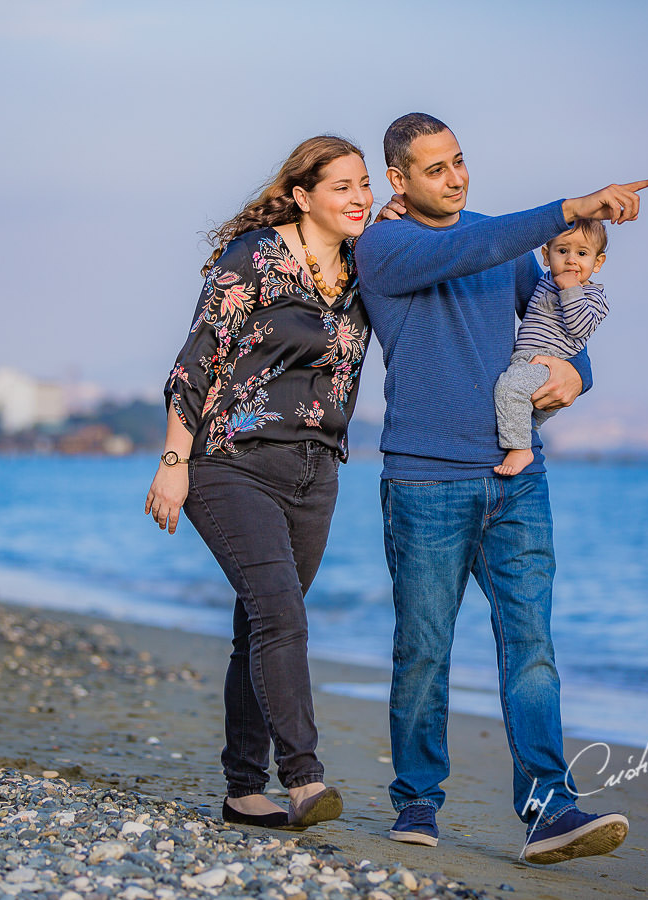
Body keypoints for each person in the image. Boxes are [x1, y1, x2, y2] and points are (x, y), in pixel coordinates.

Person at [354, 112, 648, 863]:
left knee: (533, 648)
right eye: (435, 170)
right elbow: (466, 248)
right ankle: (418, 800)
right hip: (425, 482)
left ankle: (549, 807)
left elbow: (560, 330)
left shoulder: (505, 241)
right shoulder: (384, 245)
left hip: (518, 481)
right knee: (422, 650)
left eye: (459, 162)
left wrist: (575, 378)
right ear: (398, 180)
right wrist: (570, 207)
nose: (455, 179)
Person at [145, 135, 373, 829]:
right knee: (281, 612)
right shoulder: (256, 258)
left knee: (260, 624)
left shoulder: (368, 269)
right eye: (342, 186)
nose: (359, 197)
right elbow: (197, 360)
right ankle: (303, 779)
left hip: (317, 472)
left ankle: (244, 790)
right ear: (303, 196)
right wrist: (174, 463)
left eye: (365, 184)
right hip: (231, 461)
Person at [493, 219, 610, 477]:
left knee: (509, 388)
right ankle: (524, 435)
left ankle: (521, 449)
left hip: (549, 365)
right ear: (546, 256)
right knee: (519, 411)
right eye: (562, 251)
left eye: (582, 253)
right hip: (524, 360)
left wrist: (571, 290)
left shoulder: (593, 297)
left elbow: (580, 330)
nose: (571, 260)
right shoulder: (545, 280)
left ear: (597, 263)